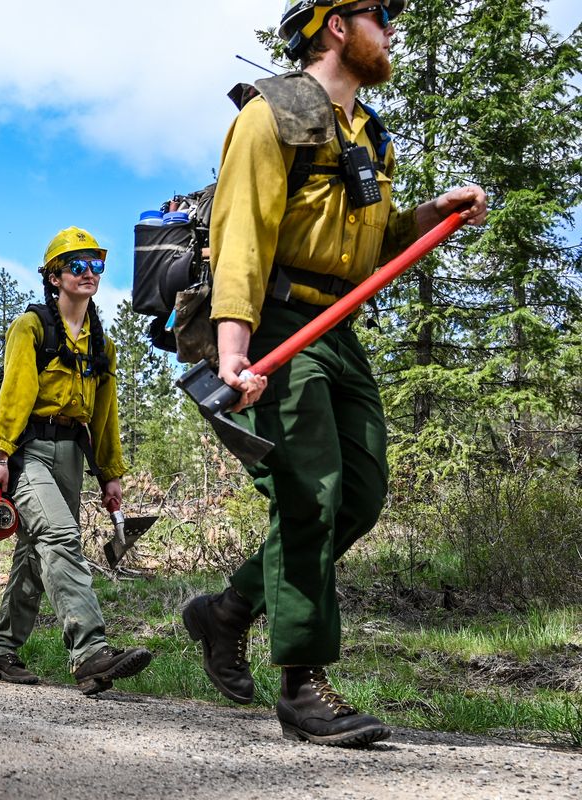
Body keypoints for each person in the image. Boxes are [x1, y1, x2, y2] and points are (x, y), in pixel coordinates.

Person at [183, 0, 488, 746]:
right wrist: (234, 350)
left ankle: (226, 610)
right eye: (381, 13)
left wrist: (428, 214)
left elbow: (372, 238)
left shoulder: (369, 133)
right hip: (278, 325)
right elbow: (242, 237)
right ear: (335, 25)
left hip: (337, 327)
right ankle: (304, 683)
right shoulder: (272, 115)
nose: (395, 28)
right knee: (309, 492)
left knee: (361, 493)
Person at [0, 227, 152, 695]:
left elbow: (105, 414)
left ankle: (2, 651)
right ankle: (90, 652)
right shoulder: (31, 327)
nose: (89, 273)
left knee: (36, 556)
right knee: (59, 535)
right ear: (54, 276)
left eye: (96, 264)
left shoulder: (102, 342)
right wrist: (0, 455)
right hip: (28, 451)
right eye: (77, 265)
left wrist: (110, 474)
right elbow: (14, 395)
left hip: (73, 454)